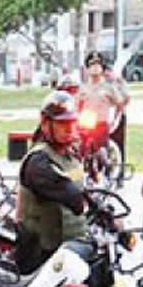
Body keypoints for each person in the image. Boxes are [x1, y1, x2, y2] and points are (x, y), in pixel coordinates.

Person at [15, 91, 87, 275]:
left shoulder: (70, 154)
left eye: (72, 122)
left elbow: (85, 189)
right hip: (42, 256)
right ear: (46, 124)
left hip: (70, 250)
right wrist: (85, 201)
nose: (69, 128)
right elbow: (70, 194)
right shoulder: (39, 162)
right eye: (62, 123)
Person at [80, 50, 129, 154]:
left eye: (98, 64)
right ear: (87, 69)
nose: (95, 67)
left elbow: (121, 102)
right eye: (92, 64)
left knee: (101, 154)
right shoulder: (83, 88)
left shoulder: (109, 88)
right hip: (85, 125)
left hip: (101, 124)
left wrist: (115, 119)